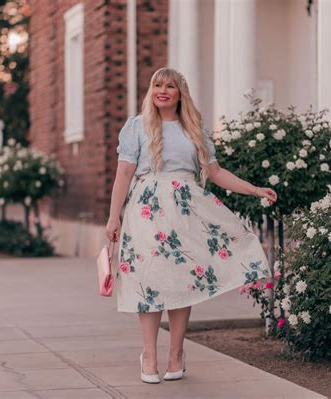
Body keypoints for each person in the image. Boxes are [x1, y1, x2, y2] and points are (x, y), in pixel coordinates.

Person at [105, 67, 277, 384]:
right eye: (157, 84)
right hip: (146, 210)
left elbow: (216, 173)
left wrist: (254, 189)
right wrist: (114, 216)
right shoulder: (137, 127)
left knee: (183, 282)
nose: (163, 90)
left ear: (180, 93)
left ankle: (176, 355)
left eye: (170, 86)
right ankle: (149, 355)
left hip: (185, 210)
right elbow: (124, 174)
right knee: (149, 280)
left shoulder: (193, 130)